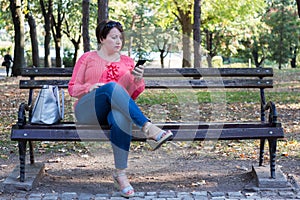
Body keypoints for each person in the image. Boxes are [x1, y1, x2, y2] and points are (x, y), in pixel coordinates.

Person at [68, 20, 173, 198]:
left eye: (120, 38)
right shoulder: (87, 58)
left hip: (111, 112)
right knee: (111, 87)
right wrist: (89, 88)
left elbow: (129, 97)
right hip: (88, 110)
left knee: (121, 117)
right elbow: (72, 88)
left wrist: (138, 80)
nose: (118, 41)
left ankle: (121, 175)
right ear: (102, 38)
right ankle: (148, 128)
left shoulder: (127, 61)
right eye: (113, 37)